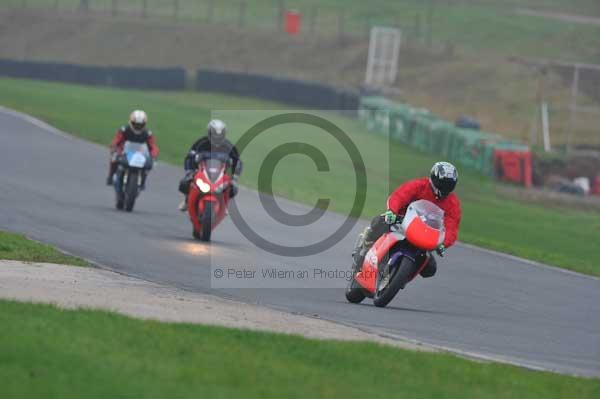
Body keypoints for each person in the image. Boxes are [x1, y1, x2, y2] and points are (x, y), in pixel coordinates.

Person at [353, 161, 461, 279]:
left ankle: (400, 278)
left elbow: (452, 227)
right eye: (442, 183)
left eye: (449, 185)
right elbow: (400, 196)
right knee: (380, 221)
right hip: (402, 222)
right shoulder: (419, 185)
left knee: (430, 269)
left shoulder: (452, 204)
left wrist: (443, 244)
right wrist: (392, 212)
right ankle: (365, 246)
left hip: (425, 235)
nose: (445, 188)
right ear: (434, 179)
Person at [178, 119, 242, 211]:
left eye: (220, 134)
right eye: (214, 134)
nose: (217, 137)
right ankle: (187, 200)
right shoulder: (201, 143)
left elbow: (237, 162)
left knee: (233, 188)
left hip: (221, 174)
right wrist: (190, 171)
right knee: (185, 183)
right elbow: (190, 157)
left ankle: (225, 204)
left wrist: (234, 176)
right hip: (201, 172)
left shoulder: (229, 147)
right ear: (209, 133)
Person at [106, 110, 159, 187]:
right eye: (135, 124)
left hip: (140, 154)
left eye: (140, 125)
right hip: (124, 152)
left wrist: (154, 156)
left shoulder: (148, 133)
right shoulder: (124, 129)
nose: (138, 127)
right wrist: (114, 148)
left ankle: (142, 181)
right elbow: (116, 140)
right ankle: (111, 176)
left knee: (149, 165)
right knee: (113, 159)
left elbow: (153, 146)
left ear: (144, 124)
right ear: (131, 122)